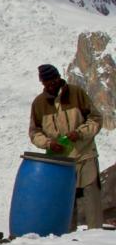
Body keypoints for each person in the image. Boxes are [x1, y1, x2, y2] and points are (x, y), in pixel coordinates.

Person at [28, 64, 104, 230]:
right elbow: (34, 133)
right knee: (65, 205)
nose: (51, 84)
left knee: (93, 202)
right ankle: (67, 244)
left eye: (53, 80)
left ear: (59, 77)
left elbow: (96, 119)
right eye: (47, 82)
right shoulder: (39, 104)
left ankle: (96, 240)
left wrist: (80, 133)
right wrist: (48, 143)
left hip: (85, 156)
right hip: (60, 162)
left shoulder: (76, 93)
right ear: (42, 83)